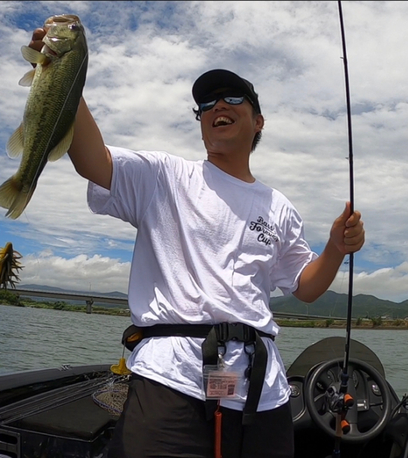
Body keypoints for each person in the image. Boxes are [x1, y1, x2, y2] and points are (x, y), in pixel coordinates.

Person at [29, 28, 365, 458]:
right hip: (172, 381)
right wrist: (63, 72)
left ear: (258, 121)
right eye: (206, 103)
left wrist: (336, 247)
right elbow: (94, 160)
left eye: (232, 98)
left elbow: (306, 286)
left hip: (263, 394)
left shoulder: (280, 207)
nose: (217, 106)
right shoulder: (164, 177)